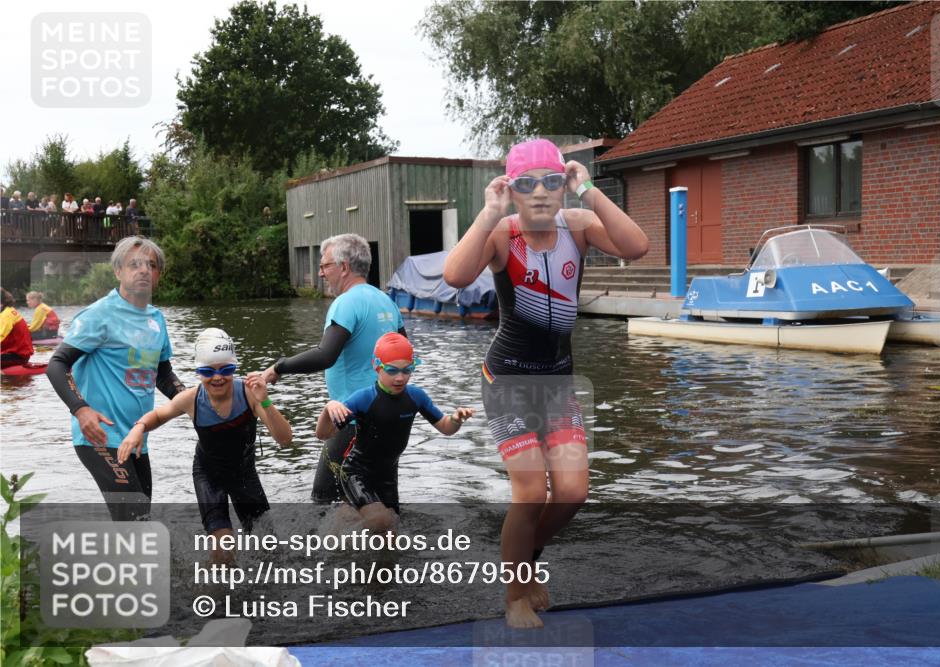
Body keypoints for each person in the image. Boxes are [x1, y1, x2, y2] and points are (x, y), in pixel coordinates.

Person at [443, 138, 648, 628]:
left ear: (563, 186)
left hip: (557, 382)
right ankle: (515, 597)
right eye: (527, 184)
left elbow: (637, 247)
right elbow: (454, 275)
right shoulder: (502, 234)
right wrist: (488, 213)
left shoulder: (577, 227)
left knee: (574, 492)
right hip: (508, 379)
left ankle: (526, 554)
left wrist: (590, 191)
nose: (540, 193)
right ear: (511, 190)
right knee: (531, 492)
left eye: (551, 182)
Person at [118, 328, 292, 564]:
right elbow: (158, 415)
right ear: (198, 373)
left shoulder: (249, 394)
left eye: (226, 370)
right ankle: (220, 597)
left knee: (270, 551)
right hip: (209, 476)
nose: (217, 377)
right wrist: (137, 428)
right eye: (208, 371)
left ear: (234, 369)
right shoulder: (191, 399)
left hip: (244, 474)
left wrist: (265, 400)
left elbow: (284, 439)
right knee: (223, 552)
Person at [254, 233, 406, 504]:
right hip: (389, 420)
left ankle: (338, 547)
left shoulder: (346, 302)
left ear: (344, 267)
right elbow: (405, 355)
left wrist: (279, 367)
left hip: (353, 420)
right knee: (382, 500)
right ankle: (390, 545)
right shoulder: (387, 302)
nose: (321, 273)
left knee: (323, 500)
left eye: (325, 266)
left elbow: (326, 355)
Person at [46, 237, 184, 521]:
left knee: (140, 522)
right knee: (134, 521)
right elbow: (57, 364)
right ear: (118, 271)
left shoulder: (156, 319)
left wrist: (196, 398)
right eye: (134, 264)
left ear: (159, 275)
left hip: (136, 439)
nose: (143, 270)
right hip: (99, 436)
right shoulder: (99, 315)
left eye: (151, 265)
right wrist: (80, 409)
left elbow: (162, 374)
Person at [316, 333, 473, 535]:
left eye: (407, 370)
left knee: (390, 538)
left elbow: (445, 427)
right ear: (377, 367)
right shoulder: (363, 399)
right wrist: (328, 408)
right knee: (382, 521)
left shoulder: (416, 397)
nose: (400, 377)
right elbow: (323, 434)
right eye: (392, 371)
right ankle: (341, 531)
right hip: (356, 473)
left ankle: (350, 518)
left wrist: (456, 419)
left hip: (388, 475)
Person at [1, 288, 34, 368]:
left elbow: (1, 336)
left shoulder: (6, 315)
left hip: (18, 356)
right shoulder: (7, 311)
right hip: (14, 353)